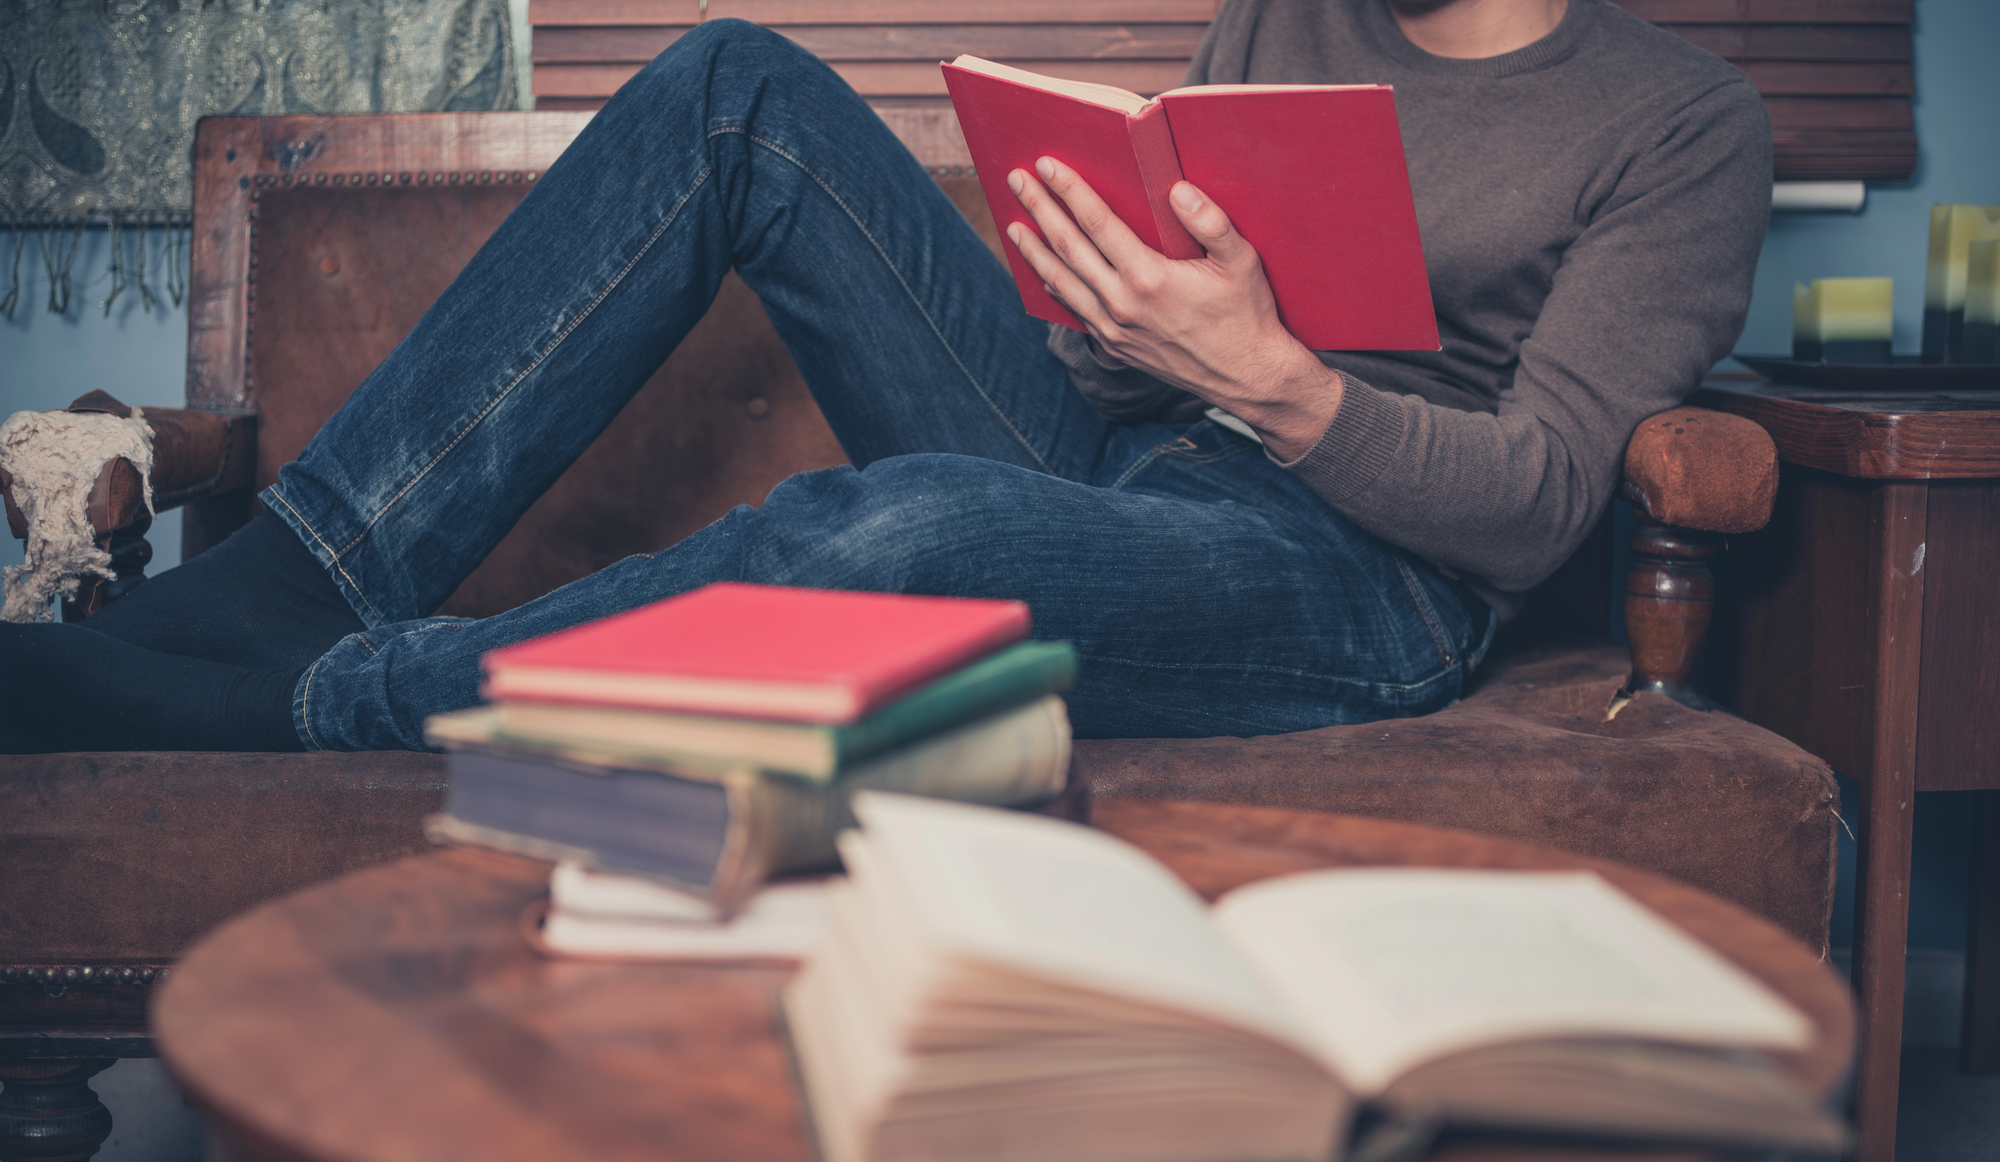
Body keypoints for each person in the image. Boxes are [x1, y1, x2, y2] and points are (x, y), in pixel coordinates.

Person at [0, 0, 1770, 754]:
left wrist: (1281, 382)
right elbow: (1138, 365)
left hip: (1368, 575)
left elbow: (1542, 506)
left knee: (909, 537)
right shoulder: (1283, 17)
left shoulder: (1683, 119)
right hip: (1151, 453)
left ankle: (323, 700)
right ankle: (295, 580)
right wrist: (1115, 309)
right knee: (734, 85)